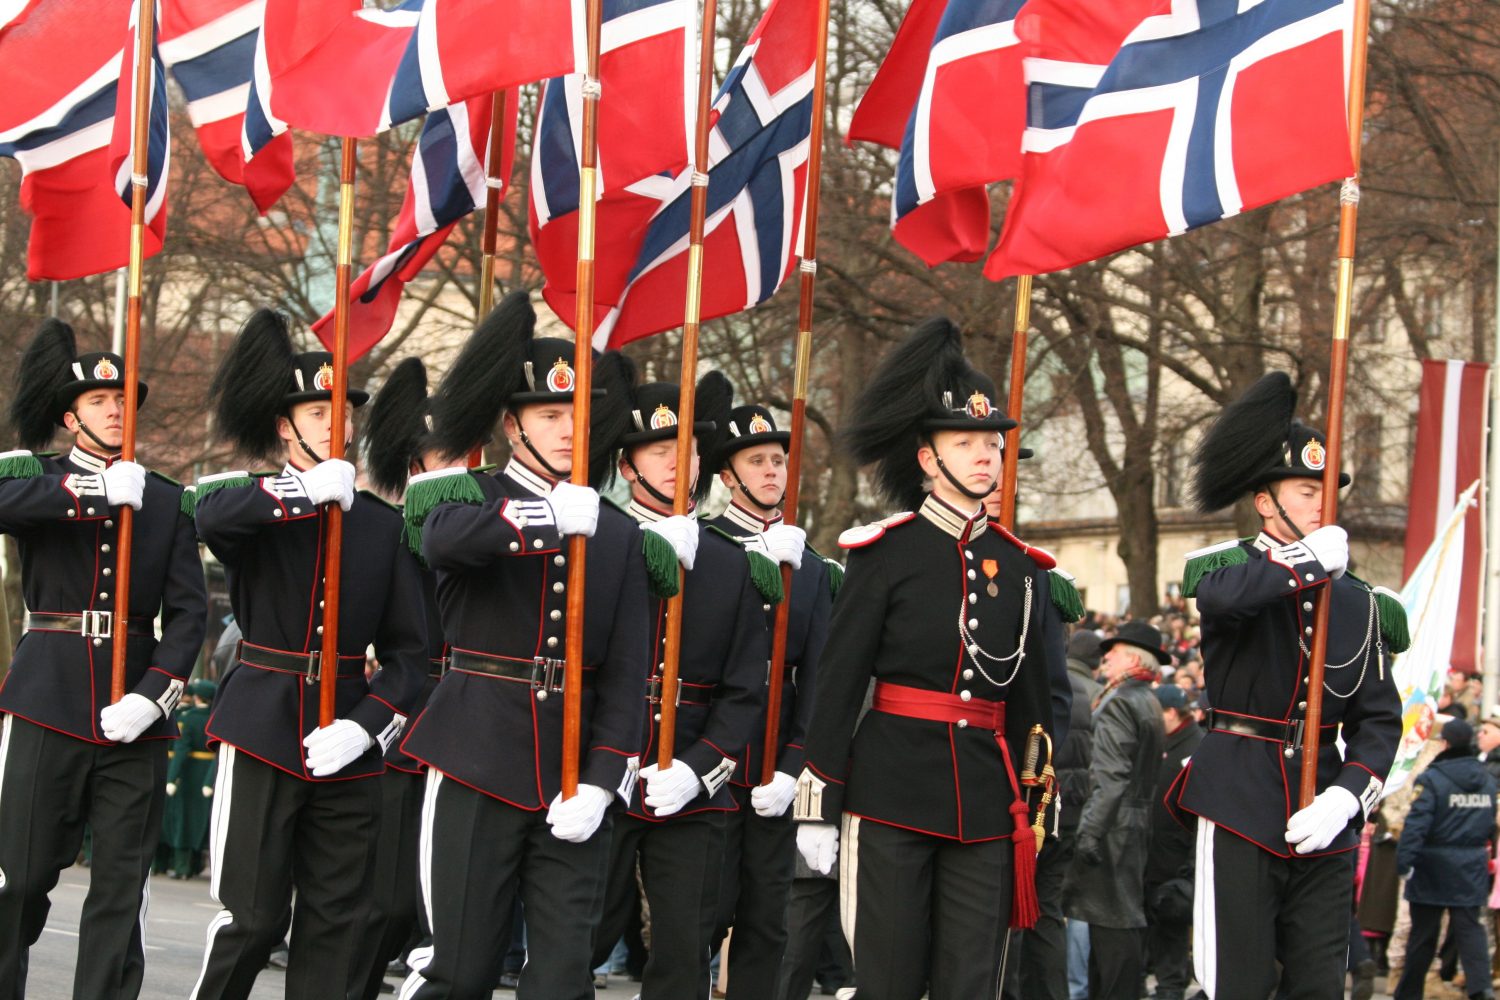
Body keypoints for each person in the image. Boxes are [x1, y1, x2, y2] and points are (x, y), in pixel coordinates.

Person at [793, 318, 1075, 1000]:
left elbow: (1033, 703)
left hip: (986, 801)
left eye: (992, 443)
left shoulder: (1024, 568)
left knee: (972, 984)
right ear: (927, 457)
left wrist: (1038, 806)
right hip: (891, 791)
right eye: (966, 442)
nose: (985, 456)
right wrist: (818, 804)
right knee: (887, 980)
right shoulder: (885, 553)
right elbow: (837, 683)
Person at [391, 295, 651, 1000]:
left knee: (566, 978)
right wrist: (541, 517)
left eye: (578, 416)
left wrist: (603, 779)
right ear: (511, 425)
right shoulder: (465, 497)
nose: (570, 431)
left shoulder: (620, 535)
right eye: (549, 415)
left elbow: (630, 675)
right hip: (477, 753)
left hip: (572, 770)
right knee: (461, 967)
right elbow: (442, 542)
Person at [189, 310, 428, 1000]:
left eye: (340, 411)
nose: (332, 423)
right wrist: (295, 495)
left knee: (339, 923)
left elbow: (414, 653)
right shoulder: (254, 506)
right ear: (282, 426)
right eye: (313, 411)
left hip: (348, 737)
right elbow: (207, 517)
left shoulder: (383, 529)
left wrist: (367, 722)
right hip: (263, 723)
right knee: (254, 918)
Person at [1171, 371, 1404, 1000]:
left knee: (1319, 984)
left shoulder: (1363, 603)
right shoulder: (1229, 569)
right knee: (1238, 982)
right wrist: (1304, 563)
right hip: (1240, 798)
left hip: (1324, 812)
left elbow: (1379, 722)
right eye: (1307, 491)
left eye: (1328, 491)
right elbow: (1225, 603)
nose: (1322, 506)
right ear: (1265, 502)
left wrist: (1349, 797)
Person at [0, 320, 207, 1000]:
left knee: (121, 886)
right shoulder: (37, 479)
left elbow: (189, 615)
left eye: (123, 398)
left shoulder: (169, 499)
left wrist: (155, 695)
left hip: (134, 712)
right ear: (69, 416)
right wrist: (91, 494)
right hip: (46, 698)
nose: (116, 409)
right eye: (98, 400)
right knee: (21, 876)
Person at [590, 362, 769, 1000]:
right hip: (603, 773)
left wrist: (700, 768)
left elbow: (746, 690)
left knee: (686, 948)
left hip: (692, 777)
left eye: (687, 449)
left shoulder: (738, 565)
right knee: (577, 939)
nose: (677, 463)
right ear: (628, 466)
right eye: (659, 450)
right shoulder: (597, 546)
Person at [704, 391, 833, 1000]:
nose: (772, 472)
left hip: (772, 769)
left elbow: (820, 679)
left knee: (765, 925)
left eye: (778, 460)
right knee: (697, 921)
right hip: (709, 761)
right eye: (756, 462)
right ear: (728, 477)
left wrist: (793, 765)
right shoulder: (701, 548)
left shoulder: (811, 565)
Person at [346, 358, 455, 1000]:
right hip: (404, 729)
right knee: (381, 902)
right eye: (438, 455)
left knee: (437, 917)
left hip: (464, 725)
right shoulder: (395, 531)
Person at [1064, 620, 1167, 1000]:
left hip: (1113, 828)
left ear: (1134, 660)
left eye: (1116, 652)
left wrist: (1089, 832)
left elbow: (1109, 778)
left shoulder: (1120, 701)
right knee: (1115, 926)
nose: (1106, 657)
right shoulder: (1145, 699)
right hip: (1131, 823)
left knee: (1112, 930)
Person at [1393, 719, 1497, 1000]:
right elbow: (1490, 825)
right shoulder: (1487, 780)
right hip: (1471, 862)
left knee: (1423, 935)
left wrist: (1404, 862)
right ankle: (1481, 989)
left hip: (1432, 865)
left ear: (1446, 743)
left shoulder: (1432, 779)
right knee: (1470, 929)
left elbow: (1416, 826)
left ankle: (1409, 992)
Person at [1144, 684, 1203, 1000]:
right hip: (1159, 854)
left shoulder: (1194, 747)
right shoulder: (1168, 742)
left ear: (1169, 713)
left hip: (1178, 858)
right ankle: (1167, 984)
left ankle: (1171, 987)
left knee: (1173, 926)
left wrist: (1190, 865)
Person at [162, 680, 219, 879]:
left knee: (183, 819)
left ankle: (182, 867)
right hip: (210, 773)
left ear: (196, 697)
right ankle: (194, 864)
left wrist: (171, 778)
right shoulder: (215, 718)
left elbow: (181, 750)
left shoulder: (188, 718)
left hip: (189, 773)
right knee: (202, 819)